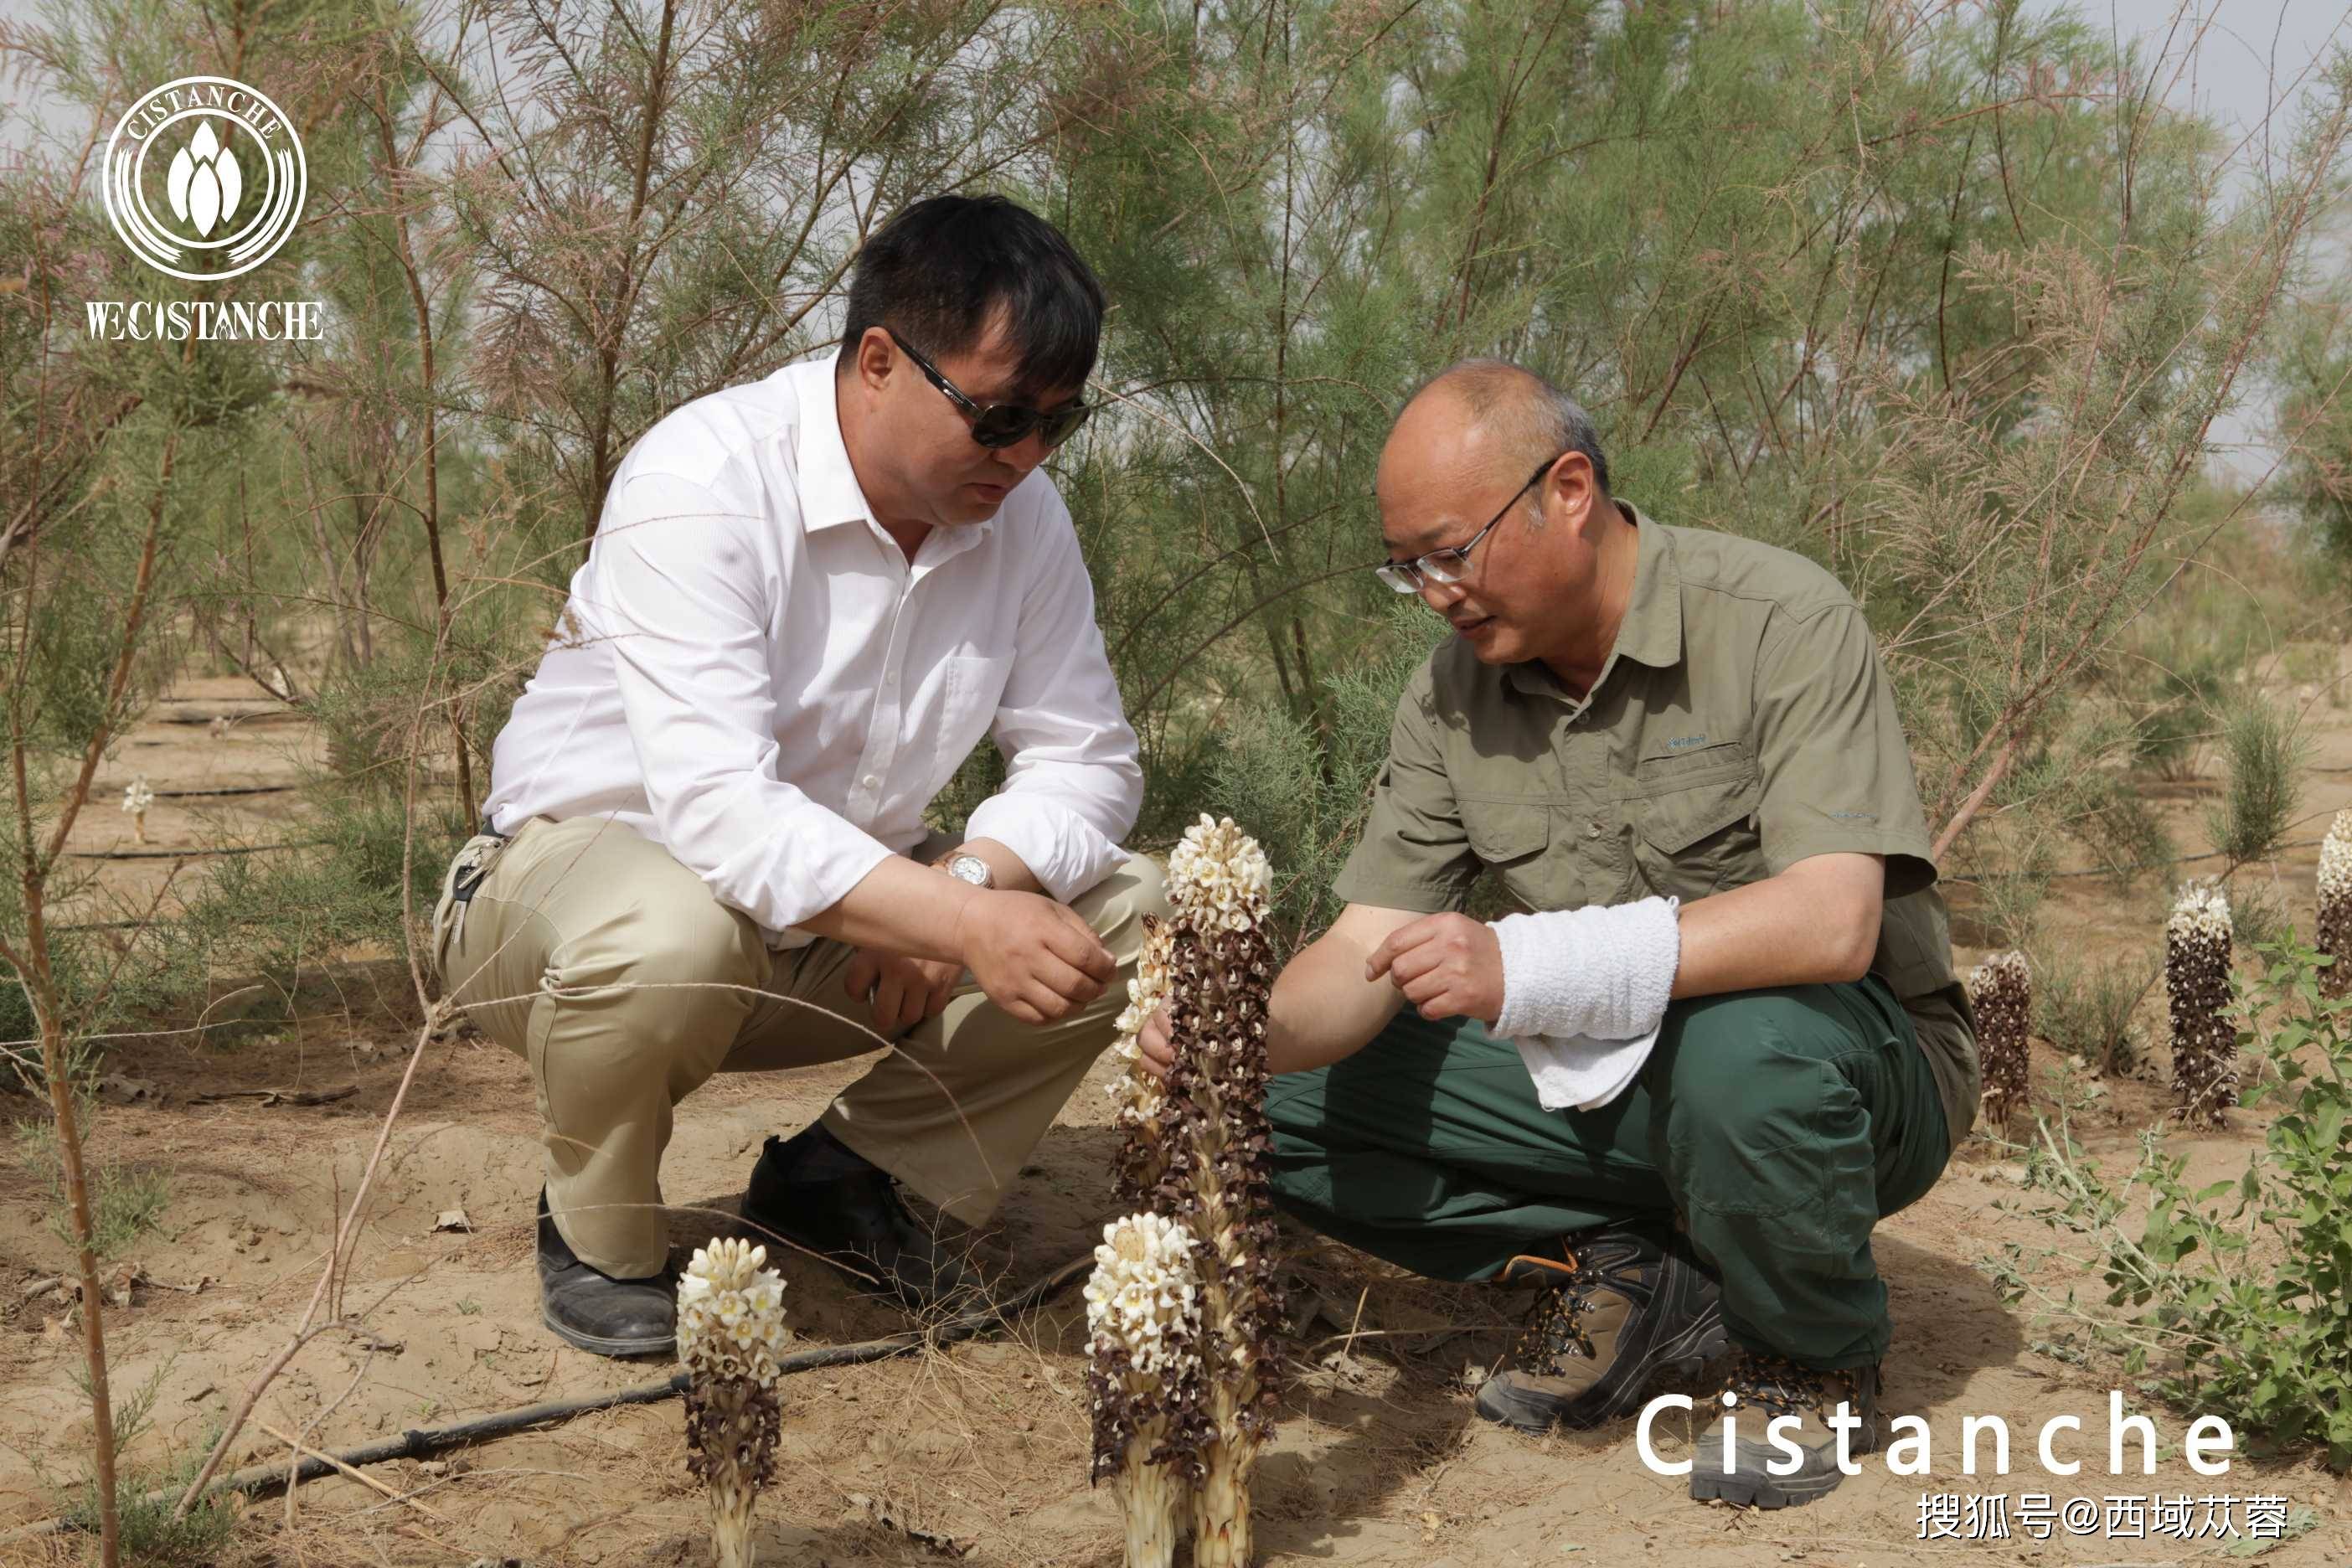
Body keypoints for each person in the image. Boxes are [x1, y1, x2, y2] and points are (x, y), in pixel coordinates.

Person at [1139, 360, 1978, 1509]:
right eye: (1406, 569)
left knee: (1745, 1059)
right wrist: (1236, 1032)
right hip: (1612, 1076)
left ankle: (1807, 1361)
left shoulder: (1783, 620)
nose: (1434, 590)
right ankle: (1636, 1263)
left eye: (1451, 551)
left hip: (1849, 1074)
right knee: (1267, 1109)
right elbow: (1360, 950)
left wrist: (1522, 965)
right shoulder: (1448, 699)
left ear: (1569, 490)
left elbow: (1834, 923)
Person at [431, 193, 1168, 1359]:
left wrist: (965, 883)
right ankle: (600, 1227)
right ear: (879, 361)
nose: (1025, 456)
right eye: (998, 416)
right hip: (569, 904)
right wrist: (957, 915)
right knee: (673, 927)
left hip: (826, 934)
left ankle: (853, 1175)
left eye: (1057, 425)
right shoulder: (706, 475)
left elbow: (1088, 758)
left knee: (1135, 912)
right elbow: (722, 816)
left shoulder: (1023, 520)